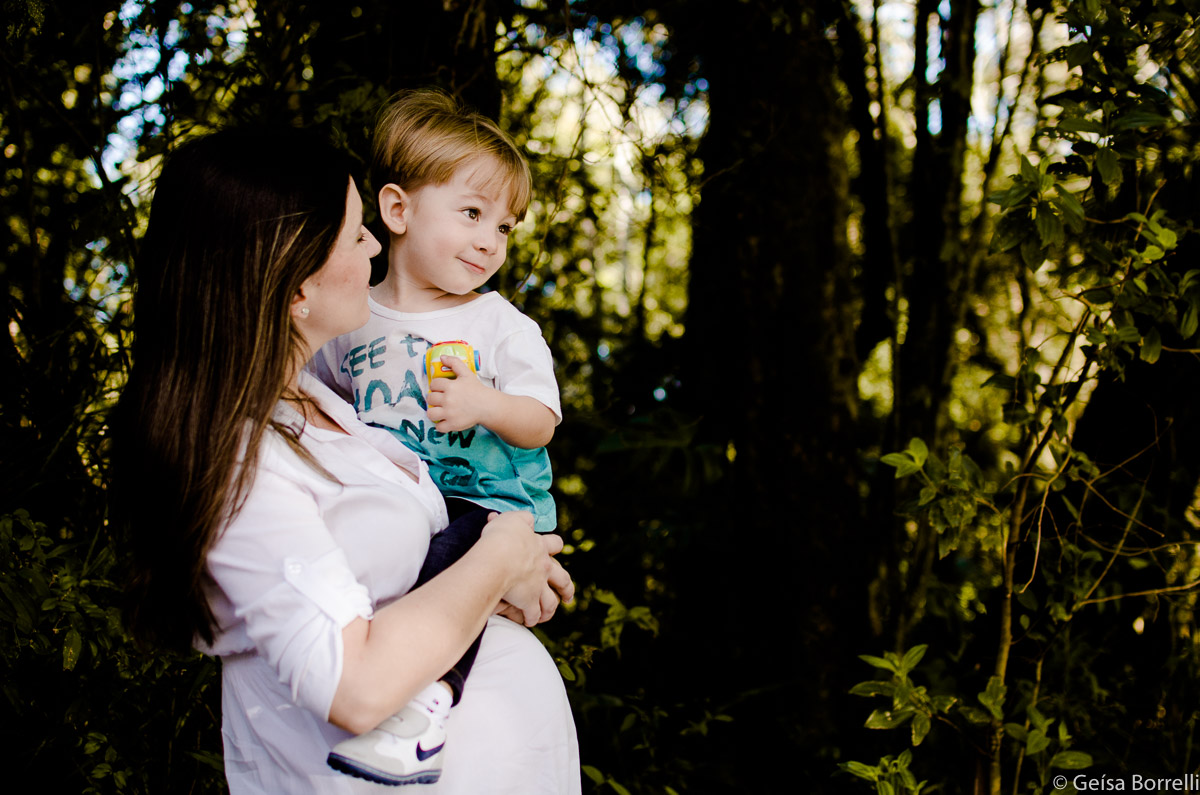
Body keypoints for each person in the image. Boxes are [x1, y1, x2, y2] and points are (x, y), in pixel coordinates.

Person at [111, 126, 580, 794]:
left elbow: (419, 588)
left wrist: (499, 579)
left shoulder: (328, 409)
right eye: (358, 232)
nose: (373, 247)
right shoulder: (245, 466)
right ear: (297, 287)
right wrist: (502, 552)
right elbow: (355, 685)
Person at [308, 89, 562, 785]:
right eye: (473, 214)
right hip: (403, 506)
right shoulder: (354, 318)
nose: (490, 240)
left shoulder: (499, 325)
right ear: (397, 211)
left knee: (454, 560)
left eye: (505, 227)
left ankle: (422, 703)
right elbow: (312, 400)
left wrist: (486, 402)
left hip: (486, 503)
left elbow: (540, 420)